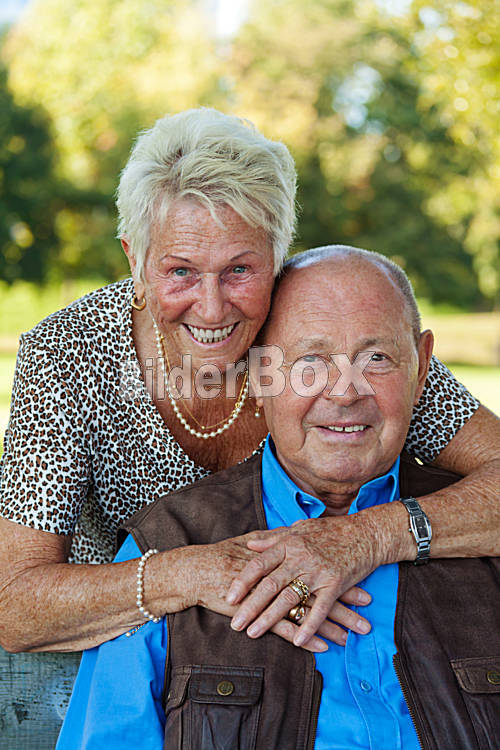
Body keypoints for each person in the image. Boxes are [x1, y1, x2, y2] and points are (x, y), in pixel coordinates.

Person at [0, 109, 499, 746]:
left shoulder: (328, 336)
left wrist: (360, 539)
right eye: (179, 270)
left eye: (240, 269)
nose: (213, 308)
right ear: (135, 259)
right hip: (139, 651)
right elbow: (15, 603)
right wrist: (193, 572)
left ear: (277, 258)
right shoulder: (71, 356)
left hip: (320, 644)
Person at [57, 245, 500, 750]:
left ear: (421, 369)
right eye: (310, 361)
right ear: (259, 377)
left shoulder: (484, 534)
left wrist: (370, 537)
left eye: (376, 358)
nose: (344, 392)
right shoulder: (165, 545)